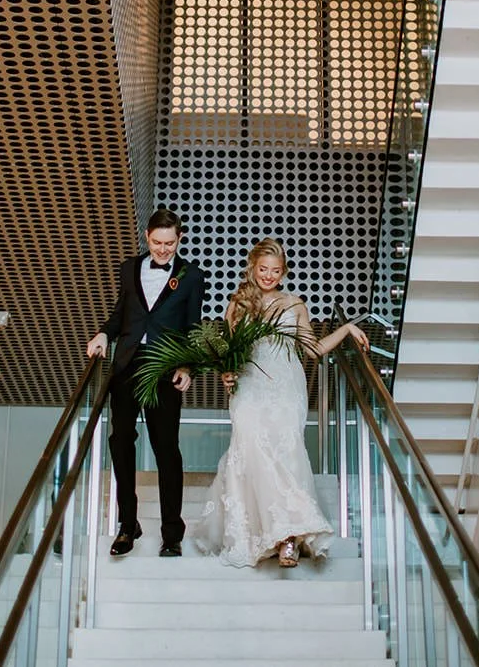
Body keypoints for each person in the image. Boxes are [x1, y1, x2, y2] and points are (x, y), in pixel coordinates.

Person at [192, 239, 369, 568]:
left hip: (286, 388)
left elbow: (313, 350)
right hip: (249, 388)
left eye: (275, 271)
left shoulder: (295, 304)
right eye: (263, 269)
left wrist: (345, 328)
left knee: (284, 454)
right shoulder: (238, 304)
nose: (269, 276)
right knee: (251, 447)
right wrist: (225, 375)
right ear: (252, 268)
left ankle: (289, 537)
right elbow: (229, 353)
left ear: (283, 272)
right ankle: (255, 532)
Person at [86, 208, 206, 558]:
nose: (163, 250)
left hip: (165, 367)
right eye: (157, 243)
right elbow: (122, 312)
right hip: (127, 364)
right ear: (147, 237)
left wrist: (188, 366)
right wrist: (104, 335)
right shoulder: (129, 268)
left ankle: (172, 533)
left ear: (179, 239)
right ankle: (128, 525)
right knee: (120, 440)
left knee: (166, 449)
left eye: (170, 244)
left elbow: (193, 327)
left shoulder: (192, 276)